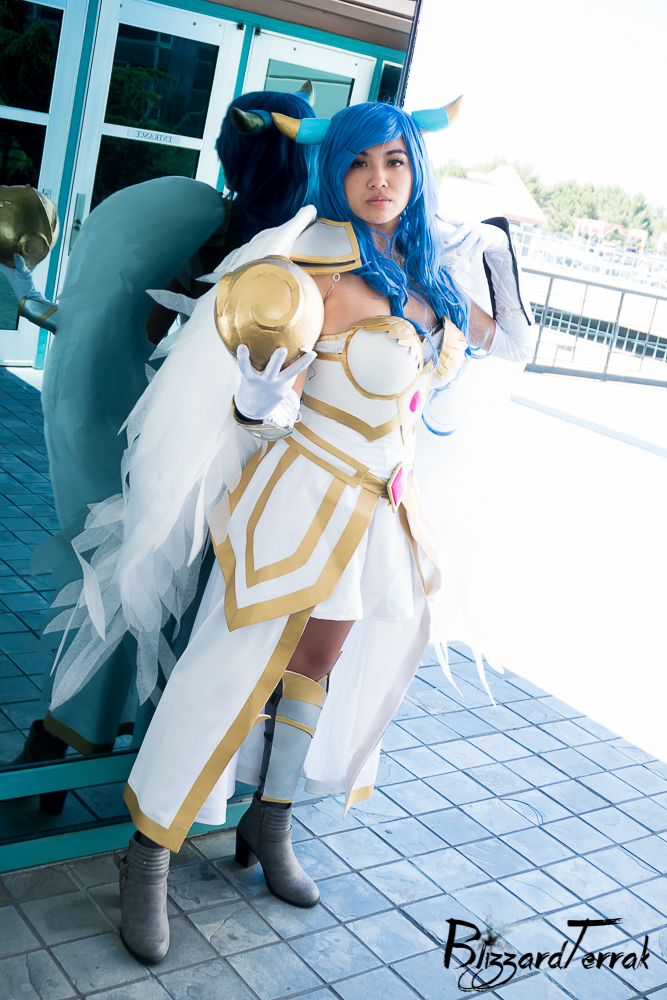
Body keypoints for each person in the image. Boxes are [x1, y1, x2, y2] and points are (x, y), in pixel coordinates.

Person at [46, 100, 533, 964]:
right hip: (293, 503)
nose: (378, 180)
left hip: (377, 513)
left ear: (416, 171)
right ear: (332, 172)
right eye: (358, 163)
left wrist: (497, 258)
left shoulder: (427, 275)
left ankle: (269, 827)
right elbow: (250, 406)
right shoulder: (313, 265)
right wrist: (259, 396)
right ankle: (147, 854)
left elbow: (504, 348)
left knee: (316, 669)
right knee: (221, 676)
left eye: (394, 161)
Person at [0, 86, 318, 812]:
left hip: (183, 439)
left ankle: (66, 746)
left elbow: (141, 332)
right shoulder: (289, 241)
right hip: (246, 453)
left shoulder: (209, 223)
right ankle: (143, 767)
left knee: (129, 583)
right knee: (172, 598)